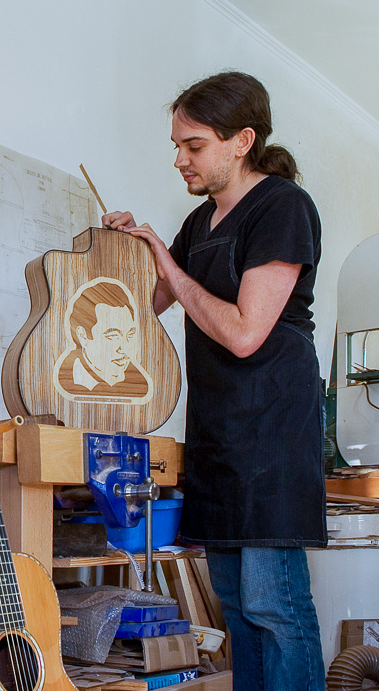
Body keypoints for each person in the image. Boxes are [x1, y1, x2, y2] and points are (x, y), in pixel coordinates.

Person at [102, 71, 326, 690]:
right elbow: (150, 304)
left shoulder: (282, 206)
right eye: (176, 145)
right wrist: (126, 251)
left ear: (241, 140)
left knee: (275, 609)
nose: (180, 159)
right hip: (219, 432)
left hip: (272, 430)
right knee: (238, 611)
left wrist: (168, 264)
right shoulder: (200, 224)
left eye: (193, 145)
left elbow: (245, 332)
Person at [53, 279, 152, 402]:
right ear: (83, 336)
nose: (124, 348)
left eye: (130, 335)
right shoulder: (59, 387)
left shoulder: (142, 390)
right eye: (113, 337)